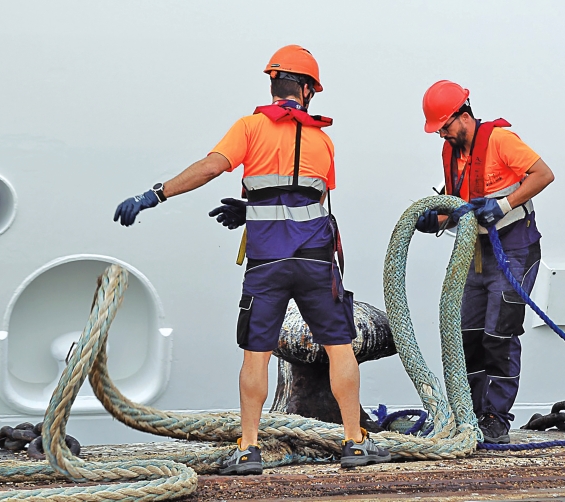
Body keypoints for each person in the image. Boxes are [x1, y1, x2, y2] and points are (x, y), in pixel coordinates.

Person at [113, 45, 391, 474]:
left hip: (267, 263)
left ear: (273, 84)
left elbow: (212, 167)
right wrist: (255, 209)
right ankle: (354, 442)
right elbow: (307, 197)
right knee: (339, 348)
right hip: (317, 262)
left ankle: (248, 448)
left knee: (256, 354)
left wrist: (157, 193)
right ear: (307, 90)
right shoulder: (323, 140)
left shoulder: (250, 127)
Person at [416, 80, 554, 444]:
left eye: (445, 126)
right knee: (469, 334)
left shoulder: (500, 140)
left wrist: (504, 205)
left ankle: (496, 417)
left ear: (464, 115)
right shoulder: (451, 153)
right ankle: (471, 413)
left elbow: (544, 174)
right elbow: (458, 205)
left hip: (514, 250)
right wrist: (434, 221)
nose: (442, 134)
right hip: (474, 254)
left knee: (499, 334)